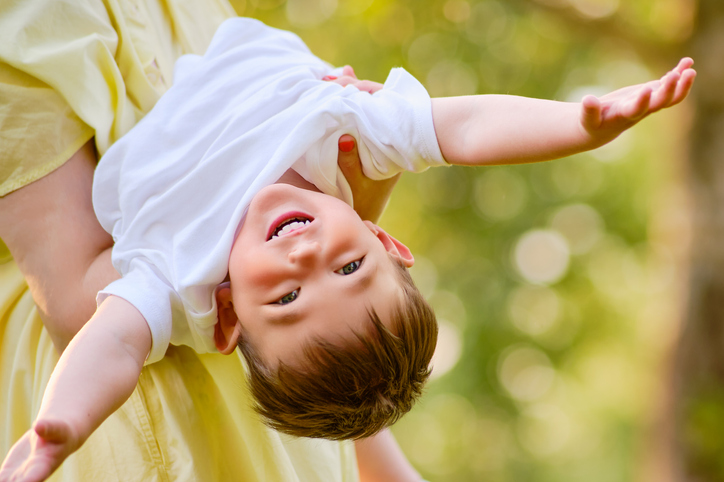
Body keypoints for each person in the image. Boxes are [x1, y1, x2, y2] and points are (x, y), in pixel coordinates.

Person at [0, 2, 421, 482]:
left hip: (258, 442)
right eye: (350, 266)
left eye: (288, 295)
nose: (306, 253)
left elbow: (336, 351)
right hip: (153, 425)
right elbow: (77, 303)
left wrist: (385, 467)